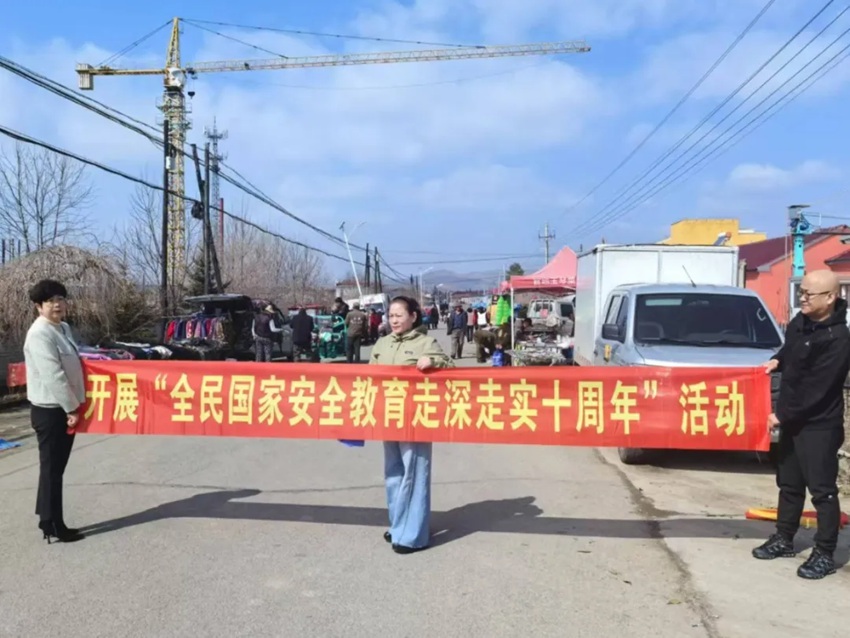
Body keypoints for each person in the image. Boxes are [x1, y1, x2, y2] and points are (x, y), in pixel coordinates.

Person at [752, 269, 850, 580]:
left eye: (809, 294)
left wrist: (782, 415)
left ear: (830, 298)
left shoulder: (838, 339)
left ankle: (825, 553)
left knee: (822, 491)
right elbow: (790, 349)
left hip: (819, 425)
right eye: (801, 292)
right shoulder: (801, 322)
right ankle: (784, 538)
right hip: (793, 420)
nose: (802, 298)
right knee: (789, 484)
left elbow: (817, 389)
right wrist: (777, 359)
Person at [369, 295, 453, 554]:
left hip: (415, 417)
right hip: (388, 415)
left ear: (413, 317)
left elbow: (451, 368)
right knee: (393, 473)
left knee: (414, 474)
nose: (394, 320)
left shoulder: (426, 343)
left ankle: (412, 536)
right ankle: (398, 524)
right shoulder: (382, 343)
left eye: (399, 315)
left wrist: (434, 362)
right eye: (391, 316)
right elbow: (368, 376)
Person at [23, 279, 86, 544]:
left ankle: (47, 518)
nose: (57, 304)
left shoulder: (62, 328)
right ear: (39, 307)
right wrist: (72, 407)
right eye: (50, 301)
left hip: (62, 407)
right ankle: (54, 525)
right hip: (51, 411)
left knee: (55, 469)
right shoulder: (40, 334)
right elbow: (53, 375)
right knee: (52, 470)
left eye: (61, 299)